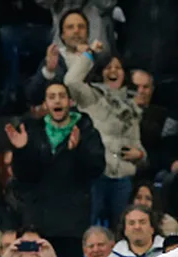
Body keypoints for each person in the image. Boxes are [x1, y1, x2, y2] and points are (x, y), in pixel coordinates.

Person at [6, 81, 106, 257]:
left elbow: (96, 169)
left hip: (71, 222)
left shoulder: (86, 131)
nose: (57, 101)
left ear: (70, 101)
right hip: (38, 221)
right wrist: (22, 151)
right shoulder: (33, 131)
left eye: (61, 96)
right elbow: (25, 177)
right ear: (45, 104)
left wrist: (77, 152)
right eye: (52, 97)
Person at [63, 40, 146, 228]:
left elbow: (136, 142)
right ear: (101, 71)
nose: (113, 71)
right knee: (92, 229)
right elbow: (71, 80)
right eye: (108, 67)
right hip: (97, 174)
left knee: (121, 230)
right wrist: (90, 53)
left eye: (118, 67)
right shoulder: (91, 97)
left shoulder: (132, 105)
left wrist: (140, 155)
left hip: (123, 177)